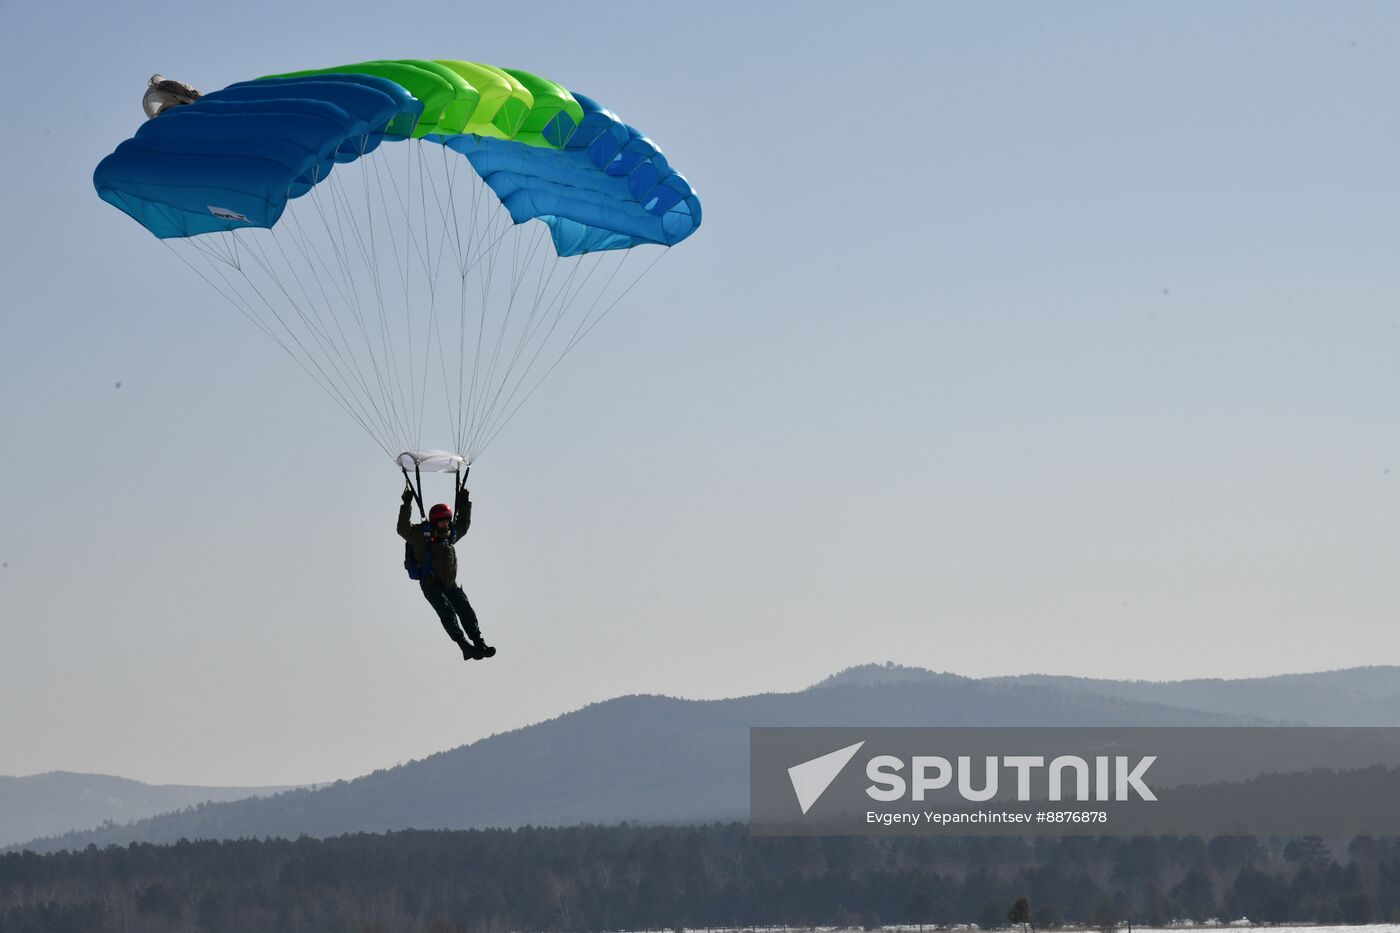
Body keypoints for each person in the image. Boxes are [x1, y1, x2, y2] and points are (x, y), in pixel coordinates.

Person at [399, 483, 496, 660]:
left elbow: (464, 525)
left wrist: (464, 502)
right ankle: (463, 645)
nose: (444, 524)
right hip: (430, 583)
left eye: (446, 520)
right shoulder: (421, 536)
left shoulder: (449, 535)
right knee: (447, 611)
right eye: (441, 521)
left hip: (449, 583)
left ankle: (478, 642)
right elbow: (402, 529)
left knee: (465, 608)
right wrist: (406, 504)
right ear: (434, 522)